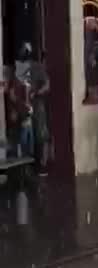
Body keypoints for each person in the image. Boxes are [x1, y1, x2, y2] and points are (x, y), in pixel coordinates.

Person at [15, 43, 50, 173]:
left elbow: (47, 84)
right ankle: (28, 164)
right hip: (24, 105)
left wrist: (37, 93)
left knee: (41, 134)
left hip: (37, 104)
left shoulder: (37, 67)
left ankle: (43, 164)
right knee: (25, 135)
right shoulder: (19, 69)